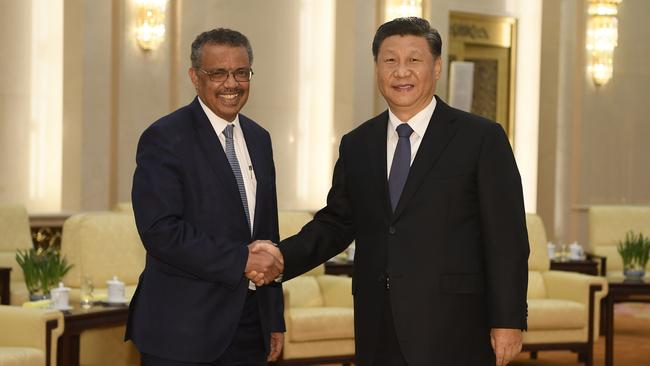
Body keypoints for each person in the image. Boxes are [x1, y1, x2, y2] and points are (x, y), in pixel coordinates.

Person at [255, 17, 529, 366]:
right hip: (378, 321)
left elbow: (506, 238)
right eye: (390, 60)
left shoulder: (481, 138)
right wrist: (280, 258)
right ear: (376, 69)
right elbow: (336, 223)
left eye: (414, 60)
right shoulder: (357, 144)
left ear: (437, 67)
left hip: (454, 325)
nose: (401, 72)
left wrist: (507, 320)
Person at [126, 28, 285, 365]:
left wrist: (273, 317)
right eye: (218, 73)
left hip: (248, 327)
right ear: (195, 77)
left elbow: (266, 233)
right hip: (181, 331)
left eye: (241, 72)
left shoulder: (260, 138)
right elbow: (160, 231)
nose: (232, 83)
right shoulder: (164, 137)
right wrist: (241, 259)